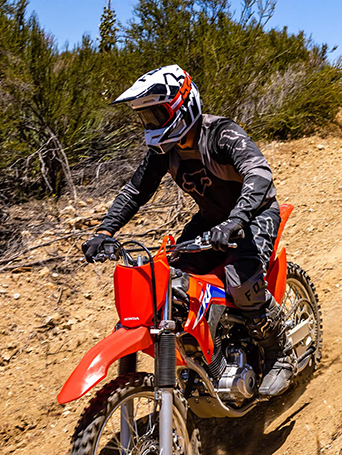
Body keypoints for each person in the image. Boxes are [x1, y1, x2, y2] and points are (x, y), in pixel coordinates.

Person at [82, 64, 293, 396]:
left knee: (240, 279)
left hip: (254, 214)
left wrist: (236, 220)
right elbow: (135, 191)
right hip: (212, 218)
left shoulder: (221, 133)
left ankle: (280, 352)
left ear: (182, 104)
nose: (151, 123)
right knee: (169, 278)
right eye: (146, 117)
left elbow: (259, 173)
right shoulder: (164, 152)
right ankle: (202, 358)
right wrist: (106, 231)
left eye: (156, 114)